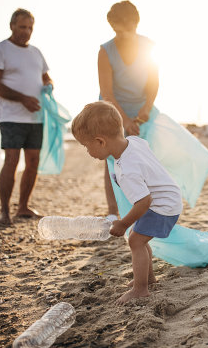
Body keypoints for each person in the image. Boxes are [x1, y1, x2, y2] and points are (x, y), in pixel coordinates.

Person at [71, 101, 182, 303]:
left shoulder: (127, 170)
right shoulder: (134, 142)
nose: (88, 152)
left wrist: (123, 224)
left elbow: (144, 201)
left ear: (100, 141)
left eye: (87, 146)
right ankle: (148, 278)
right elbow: (144, 151)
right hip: (168, 197)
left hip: (162, 204)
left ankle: (140, 289)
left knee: (135, 240)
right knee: (138, 237)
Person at [0, 8, 53, 225]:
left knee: (32, 162)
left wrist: (49, 86)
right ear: (12, 25)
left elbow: (46, 77)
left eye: (30, 28)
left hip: (36, 117)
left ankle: (23, 207)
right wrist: (23, 98)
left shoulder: (36, 52)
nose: (26, 31)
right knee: (12, 160)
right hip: (10, 116)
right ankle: (4, 212)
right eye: (22, 26)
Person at [98, 0, 159, 221]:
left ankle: (147, 205)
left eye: (128, 30)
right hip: (112, 109)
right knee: (113, 159)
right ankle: (113, 210)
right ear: (112, 27)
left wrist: (146, 107)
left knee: (145, 156)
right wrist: (124, 121)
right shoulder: (105, 51)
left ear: (136, 23)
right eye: (118, 31)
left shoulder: (149, 46)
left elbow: (153, 83)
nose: (124, 35)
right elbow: (107, 93)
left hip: (141, 107)